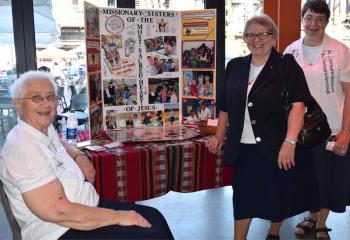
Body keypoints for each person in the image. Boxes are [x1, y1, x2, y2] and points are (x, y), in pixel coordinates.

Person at [0, 71, 174, 240]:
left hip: (85, 209)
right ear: (18, 104)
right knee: (152, 233)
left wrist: (77, 155)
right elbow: (59, 211)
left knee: (154, 217)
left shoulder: (43, 128)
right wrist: (118, 216)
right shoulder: (22, 148)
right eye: (37, 98)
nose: (46, 104)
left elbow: (59, 142)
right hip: (60, 230)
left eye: (50, 96)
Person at [205, 14, 319, 240]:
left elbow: (298, 106)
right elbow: (225, 107)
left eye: (263, 34)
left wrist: (289, 142)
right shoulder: (235, 66)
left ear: (274, 38)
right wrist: (219, 136)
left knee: (275, 198)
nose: (256, 39)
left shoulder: (285, 66)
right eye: (250, 35)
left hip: (275, 148)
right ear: (245, 39)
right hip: (243, 149)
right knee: (243, 199)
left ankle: (273, 234)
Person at [284, 1, 350, 239]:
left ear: (326, 22)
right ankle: (311, 217)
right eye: (309, 18)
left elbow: (349, 93)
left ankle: (322, 221)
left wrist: (346, 129)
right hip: (300, 130)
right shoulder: (290, 52)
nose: (313, 24)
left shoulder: (341, 50)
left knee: (328, 177)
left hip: (331, 126)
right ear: (303, 20)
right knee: (308, 176)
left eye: (319, 19)